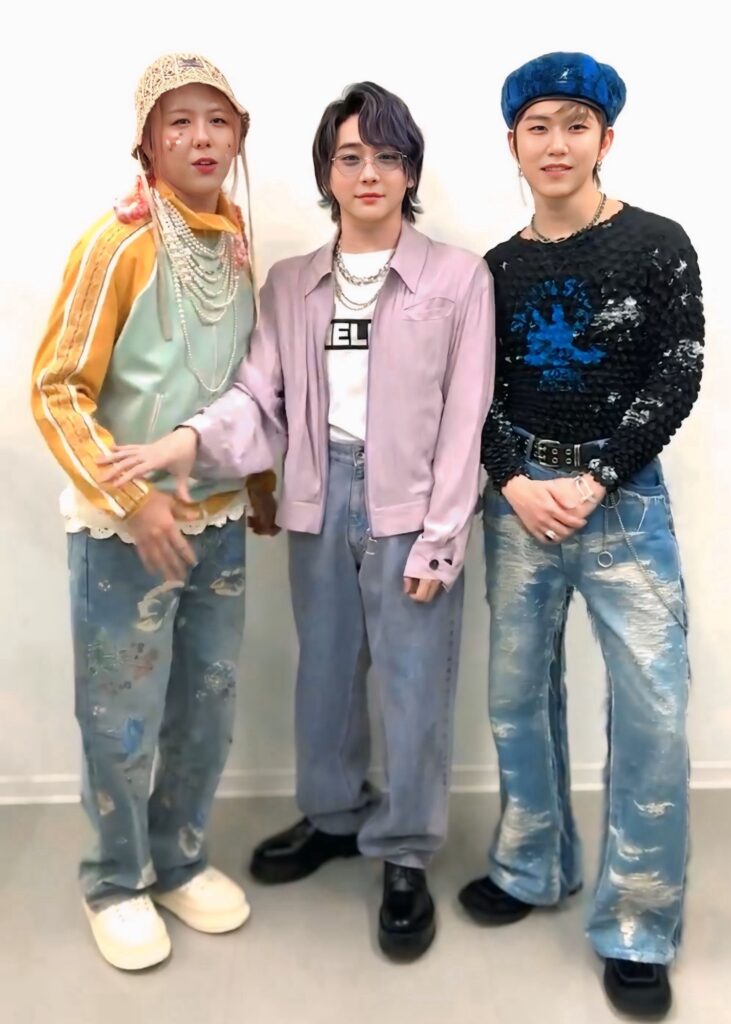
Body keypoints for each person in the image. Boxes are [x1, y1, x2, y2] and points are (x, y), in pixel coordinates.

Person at [103, 81, 495, 961]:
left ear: (410, 171)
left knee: (413, 684)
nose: (369, 173)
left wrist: (440, 538)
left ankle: (404, 852)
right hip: (320, 498)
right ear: (326, 172)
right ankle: (332, 815)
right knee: (324, 675)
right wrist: (188, 440)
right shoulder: (291, 284)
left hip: (410, 505)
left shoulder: (457, 279)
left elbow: (464, 418)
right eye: (350, 157)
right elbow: (259, 397)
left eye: (386, 156)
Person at [457, 52, 704, 1018]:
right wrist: (515, 480)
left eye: (574, 124)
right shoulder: (494, 269)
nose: (555, 144)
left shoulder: (657, 244)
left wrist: (597, 477)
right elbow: (473, 393)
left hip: (622, 502)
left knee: (652, 712)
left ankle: (637, 923)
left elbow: (677, 370)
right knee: (515, 699)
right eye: (537, 127)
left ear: (606, 137)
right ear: (512, 142)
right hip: (519, 505)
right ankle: (530, 866)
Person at [31, 52, 276, 970]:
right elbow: (57, 389)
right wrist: (130, 502)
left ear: (239, 135)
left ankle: (178, 860)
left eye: (218, 119)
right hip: (127, 529)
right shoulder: (118, 245)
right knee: (120, 715)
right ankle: (115, 879)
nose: (201, 137)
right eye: (179, 121)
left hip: (214, 522)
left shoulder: (234, 239)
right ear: (147, 141)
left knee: (206, 710)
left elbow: (237, 380)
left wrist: (257, 485)